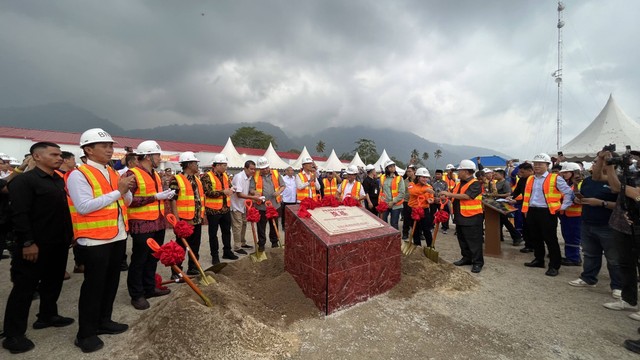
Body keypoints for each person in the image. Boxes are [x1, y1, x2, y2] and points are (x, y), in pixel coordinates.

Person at [2, 142, 74, 354]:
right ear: (37, 156)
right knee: (24, 288)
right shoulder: (25, 181)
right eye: (54, 154)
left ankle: (47, 315)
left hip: (57, 242)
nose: (59, 158)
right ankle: (13, 334)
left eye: (60, 155)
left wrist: (69, 235)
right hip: (34, 245)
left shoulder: (56, 180)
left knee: (53, 281)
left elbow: (62, 210)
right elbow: (19, 214)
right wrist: (27, 242)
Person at [66, 129, 133, 353]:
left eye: (110, 145)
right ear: (88, 149)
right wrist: (118, 191)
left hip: (117, 235)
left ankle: (104, 320)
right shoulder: (79, 174)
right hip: (94, 240)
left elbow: (126, 201)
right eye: (103, 146)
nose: (109, 149)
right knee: (93, 287)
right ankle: (85, 333)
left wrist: (126, 190)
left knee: (111, 282)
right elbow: (84, 206)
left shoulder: (112, 172)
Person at [126, 140, 175, 310]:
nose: (160, 159)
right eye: (157, 155)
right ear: (148, 156)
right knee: (139, 259)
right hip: (141, 224)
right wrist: (155, 197)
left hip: (157, 222)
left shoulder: (154, 174)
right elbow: (128, 201)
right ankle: (137, 294)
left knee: (153, 258)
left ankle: (149, 287)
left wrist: (165, 196)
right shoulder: (131, 175)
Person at [568, 171, 621, 299]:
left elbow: (624, 205)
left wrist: (602, 203)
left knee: (614, 258)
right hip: (587, 223)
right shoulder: (588, 180)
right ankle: (588, 278)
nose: (594, 164)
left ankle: (618, 286)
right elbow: (582, 196)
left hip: (608, 225)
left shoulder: (617, 181)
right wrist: (577, 196)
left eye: (599, 161)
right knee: (590, 254)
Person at [521, 153, 574, 277]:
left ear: (547, 165)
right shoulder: (530, 178)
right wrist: (526, 210)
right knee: (536, 238)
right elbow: (528, 196)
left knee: (550, 239)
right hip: (532, 211)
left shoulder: (555, 178)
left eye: (540, 164)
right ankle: (539, 260)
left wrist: (563, 207)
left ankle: (554, 265)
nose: (537, 166)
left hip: (547, 212)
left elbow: (568, 193)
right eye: (535, 164)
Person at [440, 159, 484, 273]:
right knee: (462, 240)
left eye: (459, 171)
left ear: (466, 171)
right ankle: (467, 258)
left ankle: (478, 262)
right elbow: (454, 196)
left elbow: (467, 196)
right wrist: (444, 197)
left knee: (474, 241)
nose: (457, 173)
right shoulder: (459, 183)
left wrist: (449, 194)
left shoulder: (475, 184)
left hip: (472, 217)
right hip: (460, 216)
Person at [169, 151, 205, 275]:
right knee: (180, 247)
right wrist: (177, 221)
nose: (197, 165)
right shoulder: (177, 179)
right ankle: (176, 271)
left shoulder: (197, 179)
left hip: (196, 219)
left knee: (195, 245)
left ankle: (193, 267)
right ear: (189, 164)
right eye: (195, 163)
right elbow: (173, 200)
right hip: (184, 220)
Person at [202, 154, 237, 264]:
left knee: (226, 232)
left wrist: (232, 189)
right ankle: (215, 255)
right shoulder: (207, 176)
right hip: (213, 210)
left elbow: (229, 186)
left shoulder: (225, 175)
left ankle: (227, 251)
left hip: (225, 208)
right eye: (223, 165)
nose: (225, 167)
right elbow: (207, 192)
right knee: (213, 234)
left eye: (226, 165)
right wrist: (223, 192)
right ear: (216, 165)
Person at [250, 157, 285, 250]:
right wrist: (254, 193)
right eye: (263, 168)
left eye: (266, 168)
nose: (265, 170)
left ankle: (274, 242)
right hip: (261, 205)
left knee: (274, 224)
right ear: (259, 168)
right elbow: (251, 188)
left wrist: (279, 192)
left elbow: (283, 185)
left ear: (269, 166)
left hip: (274, 204)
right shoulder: (255, 175)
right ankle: (261, 244)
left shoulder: (276, 173)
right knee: (261, 226)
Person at [231, 160, 262, 253]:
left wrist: (253, 194)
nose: (253, 171)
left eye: (254, 169)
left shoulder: (249, 178)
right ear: (245, 168)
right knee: (237, 226)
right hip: (235, 205)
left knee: (244, 224)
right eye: (251, 169)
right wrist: (253, 197)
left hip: (243, 205)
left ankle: (242, 242)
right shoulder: (239, 177)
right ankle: (237, 247)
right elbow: (239, 194)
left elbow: (246, 191)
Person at [558, 162, 583, 266]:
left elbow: (581, 199)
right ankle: (572, 256)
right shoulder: (568, 184)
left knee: (573, 236)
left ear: (574, 172)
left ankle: (574, 258)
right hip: (565, 214)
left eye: (566, 172)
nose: (564, 175)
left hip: (575, 215)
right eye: (563, 173)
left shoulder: (581, 184)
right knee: (567, 236)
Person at [492, 169, 522, 245]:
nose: (494, 176)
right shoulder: (496, 183)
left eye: (496, 175)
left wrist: (497, 195)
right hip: (497, 204)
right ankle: (499, 236)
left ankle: (517, 236)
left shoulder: (505, 183)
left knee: (505, 221)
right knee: (500, 220)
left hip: (503, 204)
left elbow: (508, 194)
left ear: (502, 175)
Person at [510, 163, 534, 252]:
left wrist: (517, 201)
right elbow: (516, 192)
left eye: (523, 172)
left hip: (534, 207)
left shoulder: (535, 180)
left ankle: (534, 245)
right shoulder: (521, 180)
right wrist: (510, 197)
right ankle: (528, 245)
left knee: (533, 228)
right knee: (526, 227)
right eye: (520, 172)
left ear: (530, 171)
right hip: (524, 206)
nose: (520, 174)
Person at [408, 168, 435, 247]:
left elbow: (431, 197)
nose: (425, 179)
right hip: (413, 209)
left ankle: (431, 247)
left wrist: (431, 200)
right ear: (418, 177)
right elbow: (413, 192)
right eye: (423, 177)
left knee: (426, 229)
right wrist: (425, 190)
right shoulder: (411, 184)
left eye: (426, 177)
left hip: (424, 210)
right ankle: (417, 247)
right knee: (415, 229)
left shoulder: (429, 186)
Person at [379, 160, 405, 229]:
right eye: (390, 166)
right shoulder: (382, 177)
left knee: (394, 224)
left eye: (393, 166)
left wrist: (393, 202)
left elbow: (402, 193)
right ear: (386, 168)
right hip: (385, 204)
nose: (392, 167)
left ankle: (395, 239)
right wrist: (381, 199)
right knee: (383, 222)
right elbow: (381, 190)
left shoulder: (399, 178)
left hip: (396, 205)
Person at [431, 170, 450, 234]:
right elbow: (430, 190)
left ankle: (444, 228)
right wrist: (434, 198)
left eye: (439, 174)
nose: (437, 175)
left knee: (443, 214)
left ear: (442, 175)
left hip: (442, 201)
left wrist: (440, 198)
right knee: (432, 214)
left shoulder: (444, 183)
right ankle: (431, 226)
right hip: (433, 200)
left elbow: (446, 191)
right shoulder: (431, 182)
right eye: (436, 174)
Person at [401, 165, 416, 239]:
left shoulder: (418, 181)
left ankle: (417, 233)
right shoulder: (405, 181)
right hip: (407, 202)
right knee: (406, 218)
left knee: (416, 218)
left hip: (416, 203)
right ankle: (405, 233)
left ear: (414, 171)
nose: (408, 173)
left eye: (410, 171)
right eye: (407, 171)